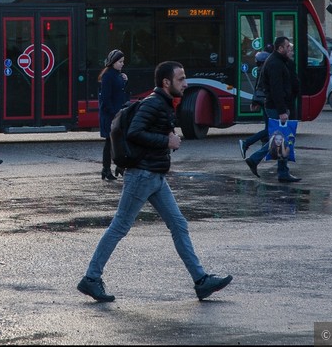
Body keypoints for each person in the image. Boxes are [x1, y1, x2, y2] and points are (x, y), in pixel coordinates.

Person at [77, 61, 233, 303]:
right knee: (119, 227)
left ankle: (201, 281)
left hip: (155, 176)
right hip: (142, 175)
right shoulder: (154, 104)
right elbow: (135, 133)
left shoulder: (163, 103)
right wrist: (166, 142)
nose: (186, 83)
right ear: (166, 82)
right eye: (181, 79)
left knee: (179, 224)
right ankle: (91, 278)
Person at [244, 36, 301, 183]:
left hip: (280, 106)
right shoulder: (275, 64)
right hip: (277, 108)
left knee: (282, 139)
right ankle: (257, 160)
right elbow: (276, 90)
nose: (290, 49)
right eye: (287, 47)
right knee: (280, 139)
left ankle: (281, 170)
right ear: (280, 48)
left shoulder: (282, 61)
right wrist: (282, 111)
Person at [98, 49, 129, 181]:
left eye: (123, 62)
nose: (122, 64)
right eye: (120, 62)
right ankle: (106, 169)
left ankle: (118, 167)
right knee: (110, 143)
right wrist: (114, 113)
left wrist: (125, 80)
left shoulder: (117, 74)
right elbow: (106, 98)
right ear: (113, 62)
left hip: (118, 113)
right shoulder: (108, 76)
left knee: (118, 142)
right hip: (111, 115)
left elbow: (119, 92)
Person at [238, 45, 272, 158]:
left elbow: (257, 86)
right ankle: (246, 143)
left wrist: (254, 101)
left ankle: (266, 147)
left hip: (260, 99)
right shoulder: (267, 69)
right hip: (266, 100)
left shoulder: (260, 69)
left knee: (269, 125)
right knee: (270, 128)